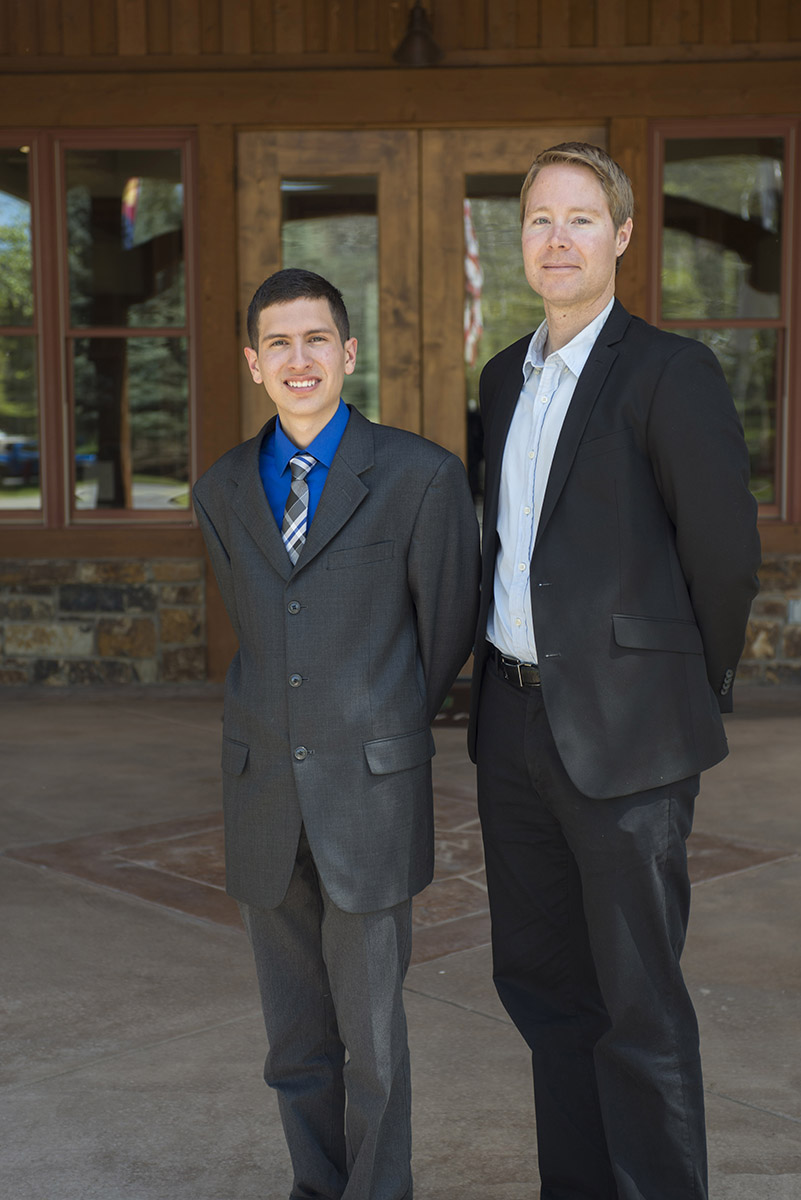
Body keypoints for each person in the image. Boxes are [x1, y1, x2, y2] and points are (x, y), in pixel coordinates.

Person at [467, 143, 761, 1200]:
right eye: (541, 219)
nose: (557, 238)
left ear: (623, 238)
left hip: (631, 736)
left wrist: (685, 688)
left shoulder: (669, 373)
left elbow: (723, 556)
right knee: (547, 994)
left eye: (581, 219)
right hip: (512, 726)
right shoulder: (502, 378)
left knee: (638, 1006)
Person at [193, 268, 479, 1200]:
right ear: (252, 363)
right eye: (278, 343)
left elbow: (441, 635)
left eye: (316, 339)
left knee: (372, 1042)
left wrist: (374, 716)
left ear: (348, 353)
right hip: (263, 790)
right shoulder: (225, 488)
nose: (299, 359)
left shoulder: (420, 476)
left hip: (369, 788)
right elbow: (259, 624)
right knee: (295, 1041)